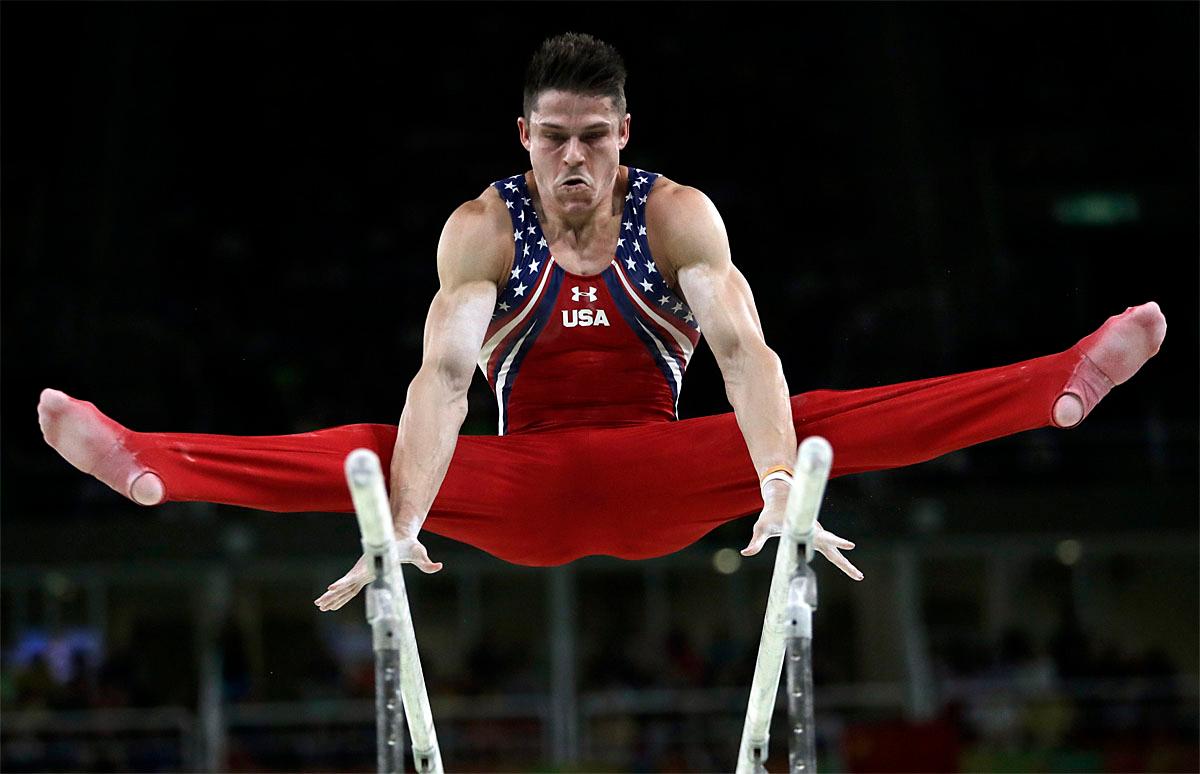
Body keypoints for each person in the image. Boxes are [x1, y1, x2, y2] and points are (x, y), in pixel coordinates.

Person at [37, 33, 1166, 613]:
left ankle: (1058, 380)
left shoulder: (676, 215)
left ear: (625, 131)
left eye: (594, 137)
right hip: (517, 486)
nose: (573, 159)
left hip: (668, 477)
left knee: (818, 428)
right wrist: (402, 525)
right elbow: (439, 383)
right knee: (371, 459)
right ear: (522, 135)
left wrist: (780, 488)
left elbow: (742, 348)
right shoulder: (482, 229)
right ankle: (147, 461)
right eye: (552, 138)